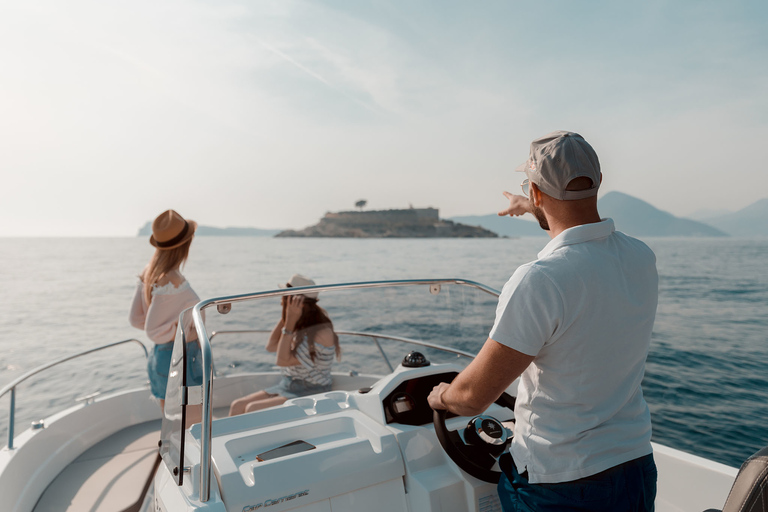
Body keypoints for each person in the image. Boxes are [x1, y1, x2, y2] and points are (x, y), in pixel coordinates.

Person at [428, 131, 659, 511]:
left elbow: (472, 398)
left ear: (536, 193)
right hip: (634, 466)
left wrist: (442, 397)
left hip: (562, 483)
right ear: (597, 182)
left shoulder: (541, 280)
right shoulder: (640, 257)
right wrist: (532, 203)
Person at [229, 274, 341, 416]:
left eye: (284, 296)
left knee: (252, 409)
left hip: (311, 390)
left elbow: (282, 361)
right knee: (237, 406)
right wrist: (287, 317)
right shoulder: (298, 322)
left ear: (296, 301)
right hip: (287, 384)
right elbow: (270, 346)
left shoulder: (320, 332)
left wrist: (290, 321)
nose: (281, 301)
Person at [129, 209, 203, 411]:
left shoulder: (150, 272)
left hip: (161, 356)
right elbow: (154, 331)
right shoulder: (173, 282)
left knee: (172, 422)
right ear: (185, 245)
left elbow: (136, 319)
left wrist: (168, 325)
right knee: (192, 424)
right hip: (182, 356)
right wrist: (185, 331)